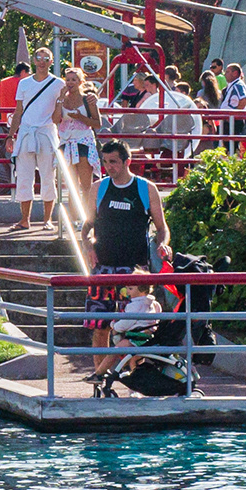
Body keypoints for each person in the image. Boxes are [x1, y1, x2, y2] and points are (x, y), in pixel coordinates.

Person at [83, 141, 171, 373]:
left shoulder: (145, 188)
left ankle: (134, 376)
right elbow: (87, 225)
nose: (108, 167)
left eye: (113, 162)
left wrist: (162, 245)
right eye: (105, 162)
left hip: (134, 271)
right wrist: (87, 244)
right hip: (103, 268)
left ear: (127, 162)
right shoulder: (98, 188)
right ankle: (99, 377)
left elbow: (162, 228)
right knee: (100, 326)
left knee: (136, 329)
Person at [5, 48, 61, 231]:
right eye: (39, 57)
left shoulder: (58, 84)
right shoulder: (24, 83)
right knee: (23, 177)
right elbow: (18, 111)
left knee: (47, 177)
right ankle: (24, 219)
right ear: (34, 60)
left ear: (51, 61)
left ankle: (47, 220)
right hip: (26, 133)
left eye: (46, 58)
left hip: (46, 133)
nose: (42, 61)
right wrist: (11, 135)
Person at [56, 67, 102, 205]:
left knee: (86, 185)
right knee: (72, 185)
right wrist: (60, 100)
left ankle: (88, 217)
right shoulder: (62, 100)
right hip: (66, 142)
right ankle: (74, 217)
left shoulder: (88, 100)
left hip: (83, 142)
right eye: (68, 79)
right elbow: (54, 119)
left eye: (74, 80)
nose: (70, 83)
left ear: (81, 82)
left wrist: (80, 117)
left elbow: (97, 123)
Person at [219, 61, 246, 140]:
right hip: (228, 120)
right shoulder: (232, 85)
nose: (225, 74)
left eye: (227, 72)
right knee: (226, 144)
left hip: (234, 121)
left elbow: (243, 100)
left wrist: (234, 115)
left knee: (232, 144)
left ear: (235, 73)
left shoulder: (238, 85)